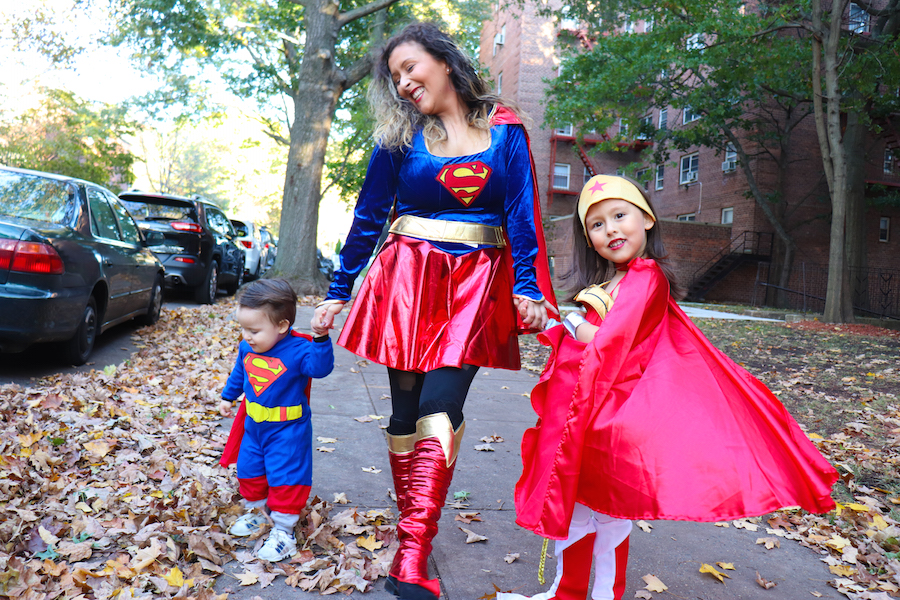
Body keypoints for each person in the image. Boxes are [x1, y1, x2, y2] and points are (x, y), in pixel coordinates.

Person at [498, 175, 838, 600]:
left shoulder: (646, 275)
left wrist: (566, 321)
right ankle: (566, 592)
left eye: (620, 216)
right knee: (583, 508)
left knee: (605, 513)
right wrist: (552, 321)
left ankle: (601, 594)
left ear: (647, 220)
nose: (612, 230)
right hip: (588, 411)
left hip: (612, 415)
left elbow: (609, 342)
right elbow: (587, 342)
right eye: (598, 225)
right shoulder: (615, 281)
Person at [311, 21, 559, 600]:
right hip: (406, 283)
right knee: (404, 415)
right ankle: (411, 538)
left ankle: (414, 552)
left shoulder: (507, 132)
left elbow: (522, 216)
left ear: (444, 61)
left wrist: (527, 287)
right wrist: (337, 291)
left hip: (477, 286)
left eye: (410, 68)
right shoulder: (398, 140)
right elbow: (368, 219)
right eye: (394, 76)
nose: (403, 83)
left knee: (441, 407)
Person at [219, 278, 334, 562]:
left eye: (254, 330)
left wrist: (320, 338)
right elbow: (240, 373)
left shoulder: (298, 350)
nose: (247, 336)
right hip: (254, 428)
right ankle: (258, 514)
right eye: (244, 328)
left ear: (282, 326)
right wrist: (228, 396)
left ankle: (283, 532)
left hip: (287, 431)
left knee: (285, 477)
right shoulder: (249, 347)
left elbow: (320, 368)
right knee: (249, 471)